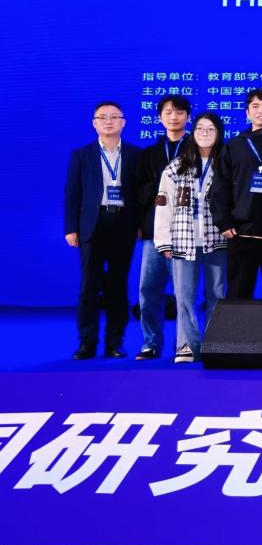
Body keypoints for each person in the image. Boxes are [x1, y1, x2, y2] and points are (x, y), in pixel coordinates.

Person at [64, 102, 144, 359]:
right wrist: (71, 228)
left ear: (123, 122)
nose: (108, 121)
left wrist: (141, 225)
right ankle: (87, 343)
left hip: (124, 224)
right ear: (94, 123)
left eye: (114, 117)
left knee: (117, 286)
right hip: (92, 224)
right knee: (89, 284)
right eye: (102, 117)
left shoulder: (136, 155)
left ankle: (114, 343)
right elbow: (72, 193)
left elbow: (142, 195)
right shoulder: (82, 154)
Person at [153, 113, 228, 363]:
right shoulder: (176, 167)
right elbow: (164, 206)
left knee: (217, 294)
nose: (205, 133)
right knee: (184, 296)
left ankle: (215, 343)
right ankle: (186, 345)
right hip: (183, 241)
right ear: (192, 133)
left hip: (217, 239)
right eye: (200, 128)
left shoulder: (226, 164)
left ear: (219, 133)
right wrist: (163, 241)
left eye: (211, 129)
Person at [210, 88, 262, 300]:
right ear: (247, 113)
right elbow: (220, 186)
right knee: (238, 294)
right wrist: (223, 222)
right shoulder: (234, 145)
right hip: (241, 233)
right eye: (255, 106)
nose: (261, 111)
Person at [134, 94, 190, 360]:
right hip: (154, 232)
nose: (173, 117)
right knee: (148, 290)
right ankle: (150, 343)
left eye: (179, 112)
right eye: (168, 112)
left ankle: (184, 345)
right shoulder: (149, 154)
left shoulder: (197, 150)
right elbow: (137, 193)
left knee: (183, 293)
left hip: (187, 232)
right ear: (159, 117)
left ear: (188, 116)